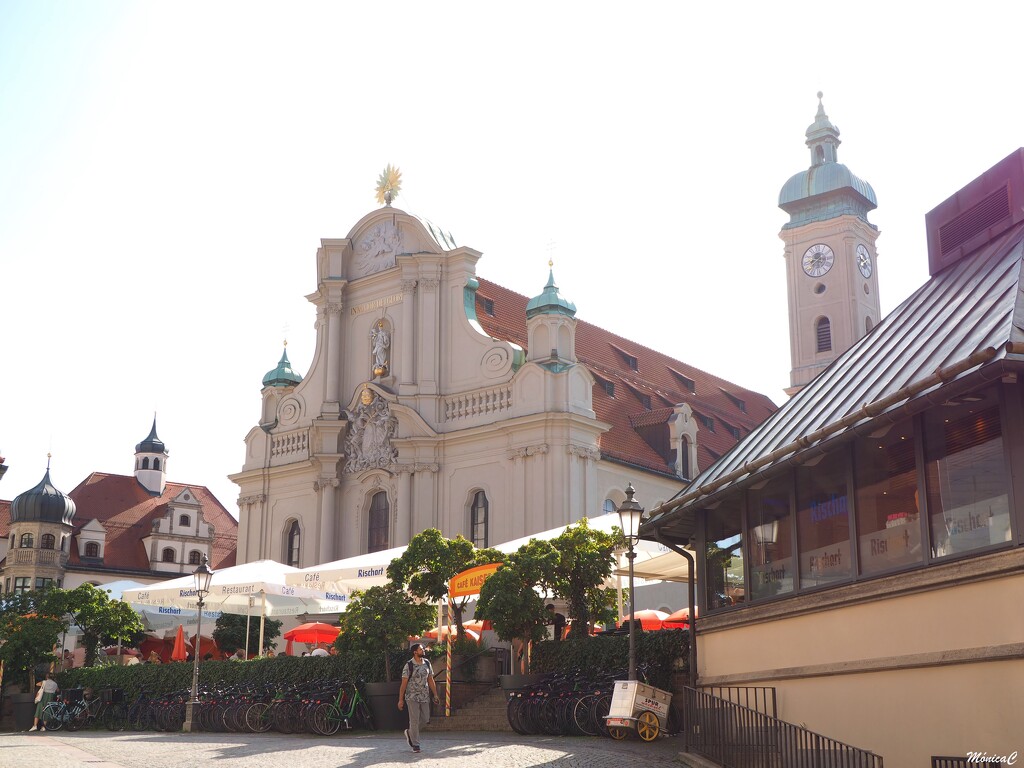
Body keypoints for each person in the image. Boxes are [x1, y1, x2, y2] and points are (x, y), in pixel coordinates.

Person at [397, 643, 439, 753]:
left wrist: (435, 694)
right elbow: (403, 683)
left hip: (424, 696)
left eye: (423, 649)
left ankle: (410, 733)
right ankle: (415, 744)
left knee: (426, 719)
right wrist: (400, 699)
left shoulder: (427, 663)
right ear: (415, 652)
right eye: (421, 649)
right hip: (412, 696)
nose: (423, 650)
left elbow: (430, 679)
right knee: (414, 720)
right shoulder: (409, 665)